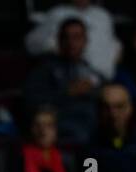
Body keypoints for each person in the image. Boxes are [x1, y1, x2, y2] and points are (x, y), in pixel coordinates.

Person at [25, 17, 109, 146]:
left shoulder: (93, 72)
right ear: (59, 40)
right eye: (66, 37)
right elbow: (32, 103)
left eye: (77, 37)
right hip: (64, 128)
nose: (71, 42)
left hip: (94, 127)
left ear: (85, 41)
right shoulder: (44, 69)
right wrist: (68, 92)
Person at [25, 0, 122, 82]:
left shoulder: (103, 16)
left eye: (77, 37)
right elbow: (32, 44)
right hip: (65, 75)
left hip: (100, 78)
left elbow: (114, 45)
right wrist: (55, 47)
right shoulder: (57, 14)